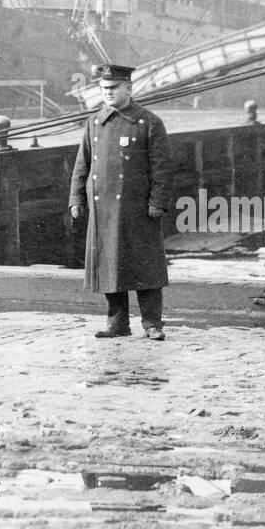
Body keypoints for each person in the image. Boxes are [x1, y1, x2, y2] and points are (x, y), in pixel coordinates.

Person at [69, 64, 172, 339]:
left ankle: (152, 324)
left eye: (113, 88)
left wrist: (157, 202)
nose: (107, 93)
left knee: (145, 267)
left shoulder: (148, 122)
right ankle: (117, 323)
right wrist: (76, 199)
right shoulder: (94, 122)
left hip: (137, 210)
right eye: (103, 89)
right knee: (109, 266)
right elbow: (83, 165)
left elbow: (161, 169)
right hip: (103, 209)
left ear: (128, 88)